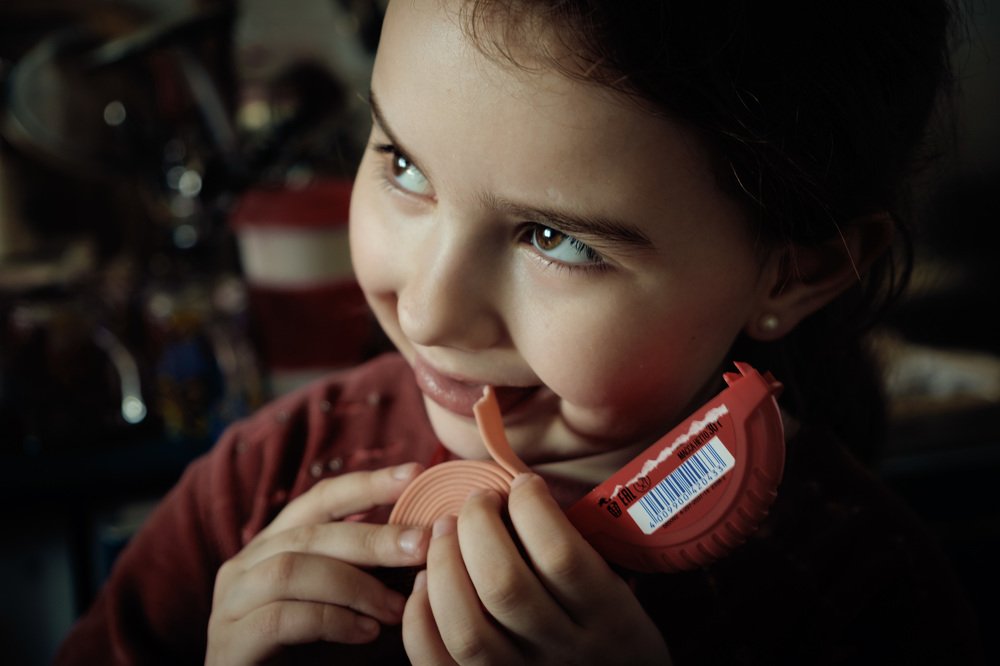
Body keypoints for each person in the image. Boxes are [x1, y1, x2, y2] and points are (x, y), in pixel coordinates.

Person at [56, 0, 984, 663]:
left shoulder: (858, 588)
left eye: (555, 239)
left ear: (795, 271)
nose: (426, 312)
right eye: (403, 166)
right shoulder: (260, 487)